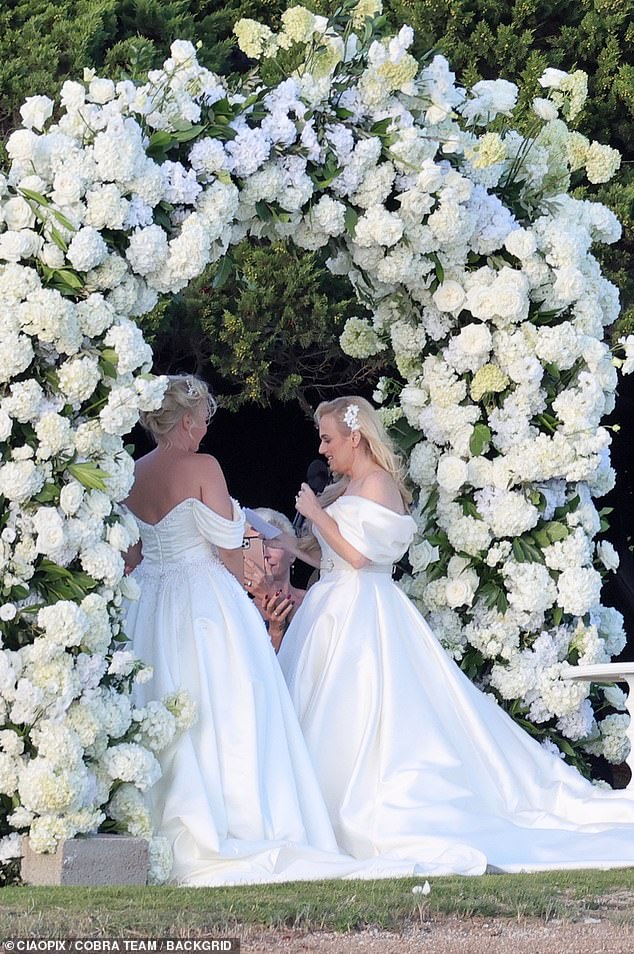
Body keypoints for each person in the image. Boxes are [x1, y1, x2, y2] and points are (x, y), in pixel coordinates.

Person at [278, 395, 634, 875]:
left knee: (365, 709)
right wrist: (291, 544)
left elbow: (364, 558)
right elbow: (335, 558)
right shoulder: (344, 488)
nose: (323, 449)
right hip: (329, 609)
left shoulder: (379, 484)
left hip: (364, 614)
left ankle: (363, 810)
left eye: (328, 438)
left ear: (355, 436)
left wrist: (316, 515)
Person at [122, 376, 414, 885]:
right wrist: (243, 581)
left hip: (148, 599)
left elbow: (132, 554)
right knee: (224, 705)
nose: (206, 429)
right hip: (200, 599)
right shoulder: (202, 467)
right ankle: (234, 816)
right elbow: (229, 544)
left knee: (157, 698)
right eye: (205, 419)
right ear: (188, 421)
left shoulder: (133, 472)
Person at [243, 508, 306, 652]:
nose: (265, 553)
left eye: (272, 544)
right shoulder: (242, 609)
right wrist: (275, 631)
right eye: (257, 546)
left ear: (292, 554)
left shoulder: (313, 598)